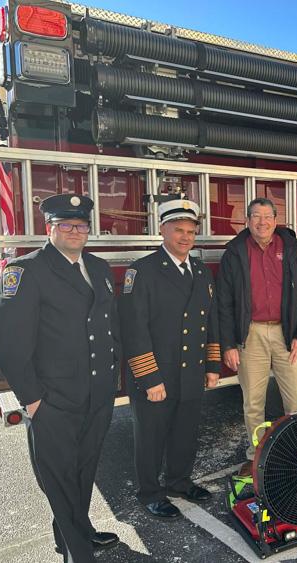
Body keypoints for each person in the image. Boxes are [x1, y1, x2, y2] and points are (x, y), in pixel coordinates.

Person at [0, 194, 120, 562]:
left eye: (81, 225)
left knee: (83, 471)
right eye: (66, 225)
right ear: (49, 228)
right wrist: (32, 399)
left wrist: (113, 379)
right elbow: (9, 341)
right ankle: (77, 553)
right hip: (53, 399)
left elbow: (108, 326)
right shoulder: (26, 270)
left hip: (96, 394)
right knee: (59, 481)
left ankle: (78, 532)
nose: (75, 231)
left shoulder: (96, 267)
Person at [120, 199, 220, 520]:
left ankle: (179, 481)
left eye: (191, 231)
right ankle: (150, 492)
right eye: (178, 230)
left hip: (190, 372)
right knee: (151, 437)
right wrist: (150, 379)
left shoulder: (201, 271)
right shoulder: (143, 271)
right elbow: (134, 330)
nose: (186, 237)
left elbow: (212, 321)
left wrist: (213, 365)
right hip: (157, 375)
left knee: (185, 433)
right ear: (161, 229)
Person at [217, 198, 297, 476]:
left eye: (267, 216)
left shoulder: (293, 250)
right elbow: (223, 303)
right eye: (255, 217)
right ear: (247, 221)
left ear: (276, 220)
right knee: (253, 401)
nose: (261, 222)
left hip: (288, 335)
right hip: (251, 334)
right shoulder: (235, 252)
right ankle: (256, 457)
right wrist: (228, 344)